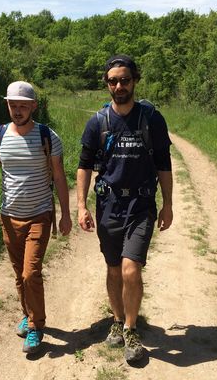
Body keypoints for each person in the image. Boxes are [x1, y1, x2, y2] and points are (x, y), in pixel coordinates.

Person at [76, 55, 173, 362]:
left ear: (135, 81)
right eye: (113, 81)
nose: (119, 86)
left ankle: (131, 329)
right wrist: (81, 205)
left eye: (125, 80)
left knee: (131, 269)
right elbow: (84, 165)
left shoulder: (152, 119)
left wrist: (168, 204)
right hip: (109, 205)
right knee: (114, 268)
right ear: (107, 84)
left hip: (141, 204)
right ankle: (117, 321)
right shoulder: (98, 121)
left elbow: (163, 163)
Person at [0, 80, 72, 354]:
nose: (17, 110)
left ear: (33, 107)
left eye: (23, 106)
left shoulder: (47, 137)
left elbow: (60, 177)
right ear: (7, 105)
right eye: (13, 105)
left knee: (30, 273)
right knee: (19, 275)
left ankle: (37, 327)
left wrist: (65, 213)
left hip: (40, 214)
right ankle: (28, 315)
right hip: (9, 217)